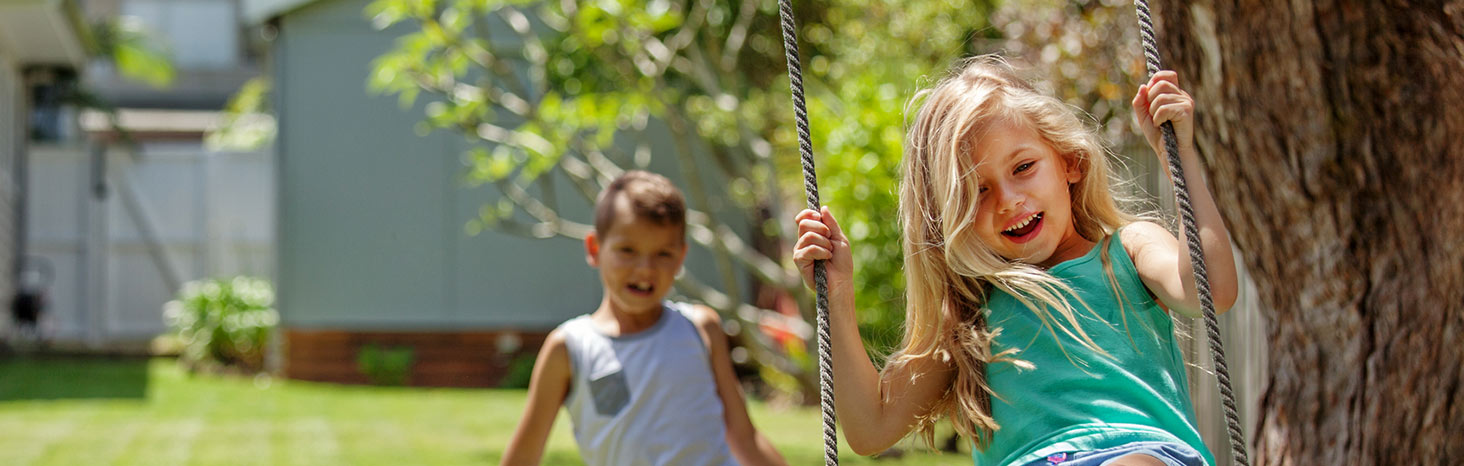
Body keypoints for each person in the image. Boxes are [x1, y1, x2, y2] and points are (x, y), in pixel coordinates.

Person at [791, 55, 1238, 466]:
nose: (1008, 201)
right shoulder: (969, 314)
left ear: (1070, 162)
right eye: (977, 191)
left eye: (1023, 167)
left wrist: (1177, 156)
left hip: (1142, 454)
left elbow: (1210, 289)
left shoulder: (1128, 251)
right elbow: (871, 428)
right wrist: (838, 296)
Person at [503, 171, 788, 466]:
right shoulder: (569, 348)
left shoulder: (700, 329)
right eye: (627, 250)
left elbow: (744, 437)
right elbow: (523, 457)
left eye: (663, 254)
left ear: (680, 258)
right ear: (594, 249)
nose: (645, 269)